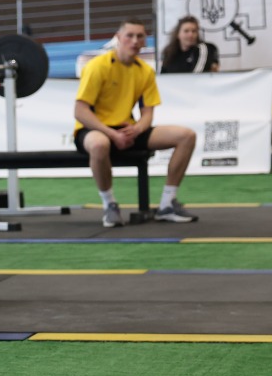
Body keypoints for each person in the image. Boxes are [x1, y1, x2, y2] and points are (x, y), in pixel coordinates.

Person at [74, 18, 198, 227]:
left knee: (186, 136)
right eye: (129, 36)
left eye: (140, 36)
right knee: (99, 144)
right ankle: (110, 205)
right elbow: (80, 111)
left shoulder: (145, 71)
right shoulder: (98, 66)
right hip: (94, 129)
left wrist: (137, 129)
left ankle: (167, 204)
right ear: (118, 38)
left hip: (127, 128)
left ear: (144, 41)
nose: (134, 41)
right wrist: (112, 134)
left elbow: (147, 113)